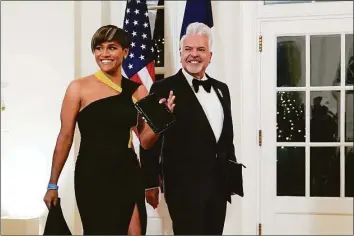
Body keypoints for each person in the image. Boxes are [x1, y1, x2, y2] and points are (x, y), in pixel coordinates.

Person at [43, 25, 175, 235]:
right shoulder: (78, 88)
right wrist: (53, 184)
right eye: (99, 48)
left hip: (128, 173)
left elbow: (146, 141)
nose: (104, 54)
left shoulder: (137, 90)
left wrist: (163, 119)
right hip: (92, 174)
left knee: (135, 232)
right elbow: (65, 136)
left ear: (125, 52)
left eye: (112, 48)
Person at [141, 22, 240, 235]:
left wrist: (230, 175)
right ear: (180, 54)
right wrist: (150, 182)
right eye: (188, 49)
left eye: (200, 50)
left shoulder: (222, 89)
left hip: (218, 186)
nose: (193, 54)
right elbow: (148, 141)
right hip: (183, 186)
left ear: (210, 56)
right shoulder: (162, 88)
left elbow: (226, 137)